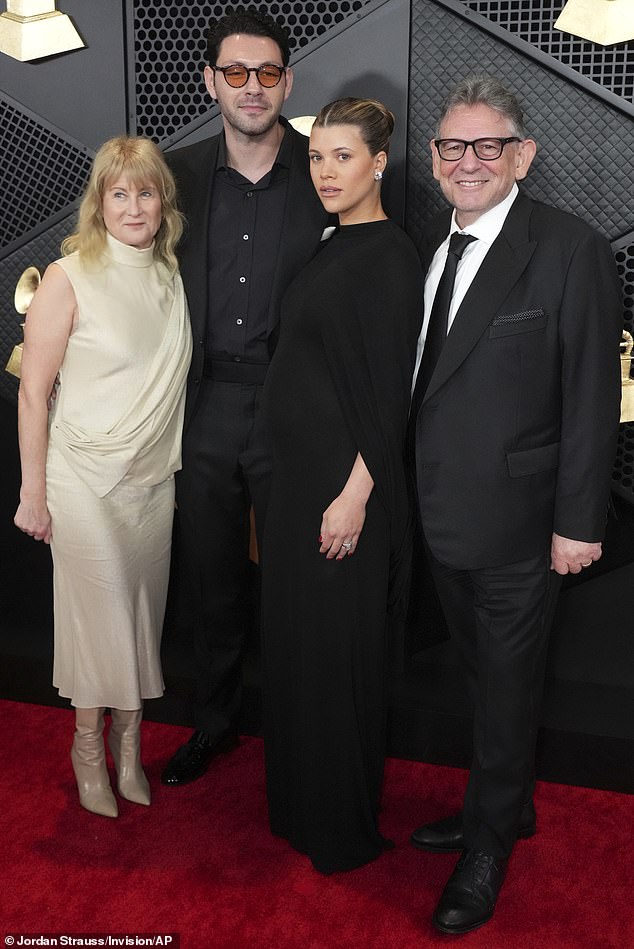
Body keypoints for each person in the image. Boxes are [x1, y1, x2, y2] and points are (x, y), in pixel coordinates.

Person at [408, 76, 622, 933]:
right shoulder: (432, 242)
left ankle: (490, 840)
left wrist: (578, 522)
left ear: (522, 155)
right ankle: (504, 804)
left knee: (505, 689)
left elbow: (589, 396)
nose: (468, 162)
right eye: (452, 147)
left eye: (487, 146)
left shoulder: (568, 248)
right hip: (438, 517)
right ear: (432, 159)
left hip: (522, 526)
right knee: (482, 679)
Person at [161, 10, 329, 787]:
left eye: (268, 73)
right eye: (236, 73)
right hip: (205, 407)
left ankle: (302, 735)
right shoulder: (179, 177)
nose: (253, 87)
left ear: (288, 81)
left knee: (300, 580)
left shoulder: (329, 171)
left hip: (296, 406)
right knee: (213, 575)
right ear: (211, 82)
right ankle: (216, 724)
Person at [261, 98, 424, 874]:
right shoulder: (332, 245)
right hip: (296, 487)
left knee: (337, 660)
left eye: (343, 157)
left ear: (379, 163)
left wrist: (356, 494)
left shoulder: (391, 257)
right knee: (302, 654)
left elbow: (392, 394)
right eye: (317, 157)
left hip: (344, 493)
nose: (326, 172)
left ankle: (338, 824)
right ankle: (301, 806)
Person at [14, 136, 192, 818]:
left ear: (162, 200)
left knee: (139, 618)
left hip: (153, 482)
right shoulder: (69, 275)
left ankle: (129, 748)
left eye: (145, 191)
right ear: (100, 202)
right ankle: (90, 748)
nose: (134, 205)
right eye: (119, 193)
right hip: (82, 477)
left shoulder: (169, 275)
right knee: (102, 617)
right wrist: (33, 491)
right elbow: (34, 392)